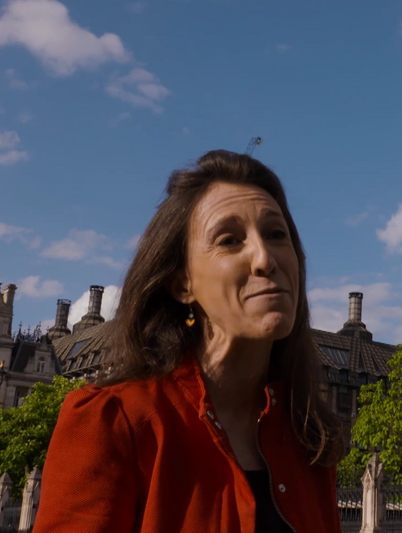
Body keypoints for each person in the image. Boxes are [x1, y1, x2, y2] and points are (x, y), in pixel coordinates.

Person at [33, 150, 346, 533]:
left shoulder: (310, 444)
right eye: (230, 240)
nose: (265, 258)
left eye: (277, 234)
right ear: (182, 283)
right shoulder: (115, 422)